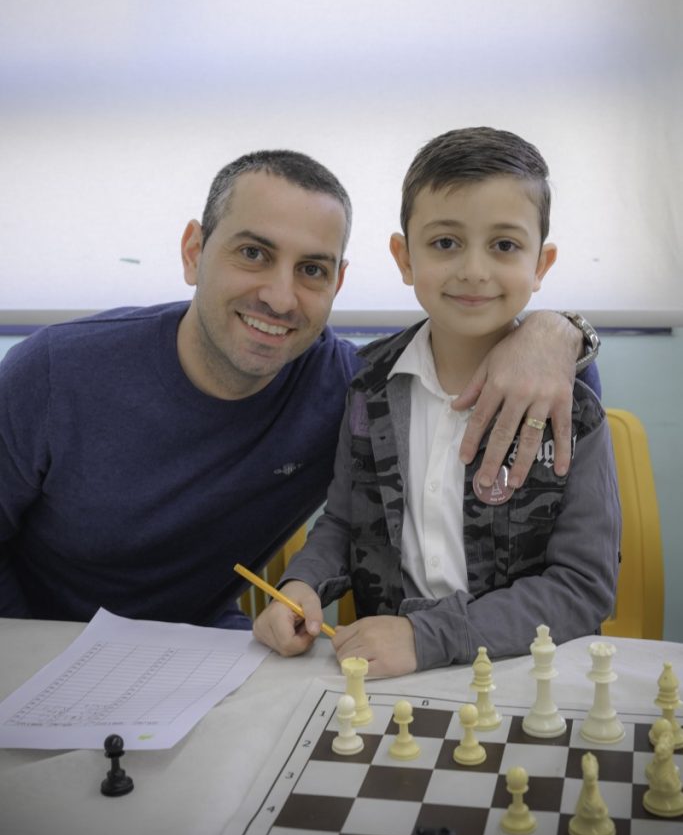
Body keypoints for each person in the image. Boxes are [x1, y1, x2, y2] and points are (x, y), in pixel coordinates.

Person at [0, 147, 600, 626]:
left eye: (312, 269)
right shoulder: (51, 373)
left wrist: (560, 332)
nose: (281, 298)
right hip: (32, 646)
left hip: (206, 651)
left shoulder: (352, 388)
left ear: (338, 283)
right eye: (253, 253)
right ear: (193, 252)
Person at [253, 129, 620, 673]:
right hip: (389, 679)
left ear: (541, 265)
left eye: (504, 245)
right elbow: (345, 523)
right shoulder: (368, 386)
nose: (473, 270)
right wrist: (302, 584)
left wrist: (426, 636)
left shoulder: (572, 406)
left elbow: (582, 588)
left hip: (524, 671)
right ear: (404, 258)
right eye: (445, 243)